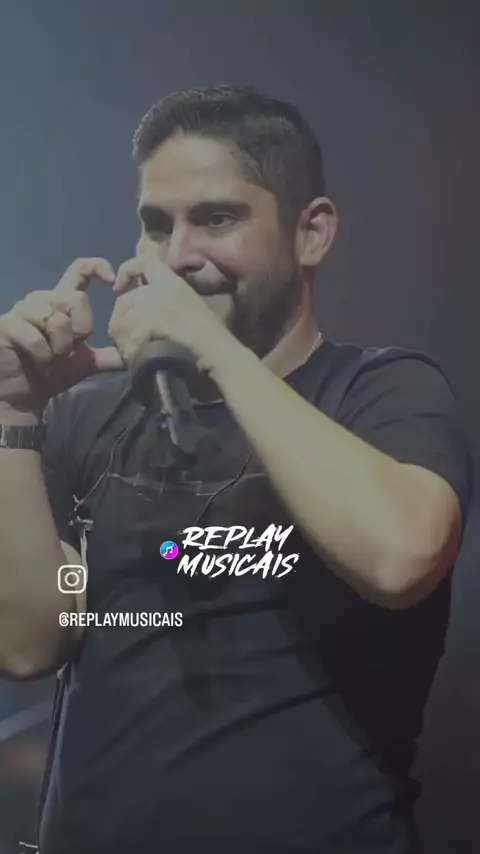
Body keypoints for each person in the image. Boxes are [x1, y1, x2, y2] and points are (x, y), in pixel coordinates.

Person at [0, 85, 471, 854]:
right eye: (158, 225)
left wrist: (212, 351)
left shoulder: (380, 391)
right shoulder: (90, 416)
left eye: (216, 219)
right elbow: (27, 642)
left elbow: (401, 556)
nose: (178, 256)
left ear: (312, 233)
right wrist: (13, 412)